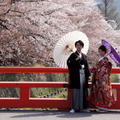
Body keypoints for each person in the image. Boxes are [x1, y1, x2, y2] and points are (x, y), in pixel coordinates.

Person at [88, 45, 115, 112]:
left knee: (103, 92)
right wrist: (95, 68)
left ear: (104, 52)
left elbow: (103, 70)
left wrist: (97, 70)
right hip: (98, 79)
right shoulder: (100, 59)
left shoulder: (106, 61)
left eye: (101, 51)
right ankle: (101, 107)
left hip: (103, 80)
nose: (100, 52)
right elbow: (97, 68)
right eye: (99, 51)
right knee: (98, 92)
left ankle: (104, 107)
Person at [67, 40, 91, 113]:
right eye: (77, 45)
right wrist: (75, 60)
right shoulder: (73, 55)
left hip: (83, 75)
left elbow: (87, 66)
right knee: (75, 92)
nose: (78, 46)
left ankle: (82, 107)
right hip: (76, 76)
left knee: (83, 91)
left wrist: (88, 75)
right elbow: (69, 63)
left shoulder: (84, 56)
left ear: (82, 46)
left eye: (80, 45)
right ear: (75, 47)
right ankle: (73, 107)